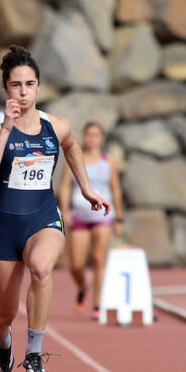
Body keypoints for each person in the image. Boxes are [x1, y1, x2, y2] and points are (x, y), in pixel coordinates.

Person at [0, 45, 110, 372]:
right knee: (3, 313)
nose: (23, 92)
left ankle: (34, 353)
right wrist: (7, 127)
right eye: (16, 85)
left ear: (38, 86)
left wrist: (86, 188)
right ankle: (2, 340)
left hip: (43, 219)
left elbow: (72, 147)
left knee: (41, 267)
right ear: (5, 88)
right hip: (5, 228)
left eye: (30, 84)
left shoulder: (57, 125)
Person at [59, 122, 123, 320]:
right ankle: (81, 286)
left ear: (101, 138)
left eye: (96, 135)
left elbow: (115, 189)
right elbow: (65, 187)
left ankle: (98, 304)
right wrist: (65, 211)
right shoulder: (74, 158)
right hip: (79, 216)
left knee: (98, 260)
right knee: (76, 264)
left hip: (102, 218)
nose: (92, 139)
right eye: (89, 135)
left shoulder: (108, 161)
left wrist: (119, 217)